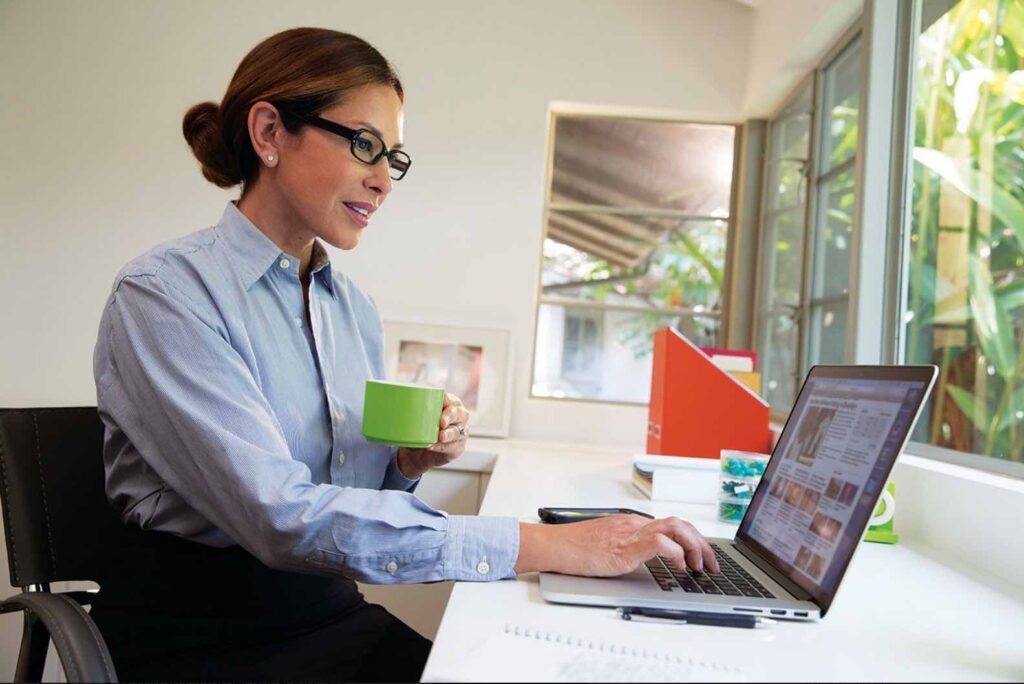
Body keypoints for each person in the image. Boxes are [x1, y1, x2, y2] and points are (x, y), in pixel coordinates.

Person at [90, 27, 719, 682]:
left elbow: (339, 494)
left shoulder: (349, 306)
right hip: (207, 644)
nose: (384, 180)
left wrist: (405, 464)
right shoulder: (164, 295)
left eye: (394, 156)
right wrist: (542, 545)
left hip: (328, 614)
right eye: (365, 144)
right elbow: (278, 516)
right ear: (270, 132)